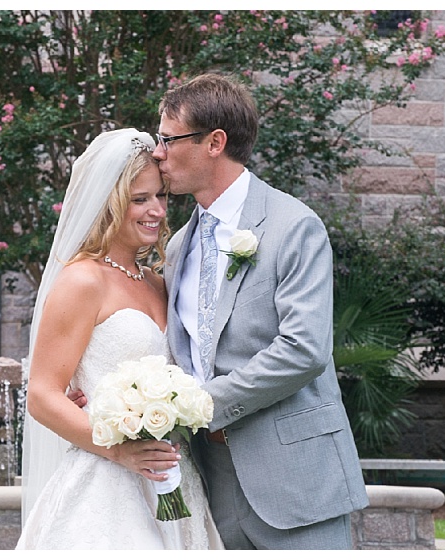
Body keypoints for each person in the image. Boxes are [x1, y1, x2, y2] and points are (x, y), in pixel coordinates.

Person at [155, 73, 368, 549]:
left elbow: (303, 350)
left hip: (296, 481)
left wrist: (202, 406)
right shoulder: (175, 247)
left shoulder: (295, 227)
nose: (158, 153)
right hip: (212, 480)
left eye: (169, 139)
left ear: (215, 142)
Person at [16, 129, 223, 549]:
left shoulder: (162, 284)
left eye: (161, 196)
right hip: (106, 486)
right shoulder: (82, 280)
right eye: (140, 199)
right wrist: (118, 451)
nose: (157, 211)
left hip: (175, 480)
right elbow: (41, 393)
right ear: (109, 202)